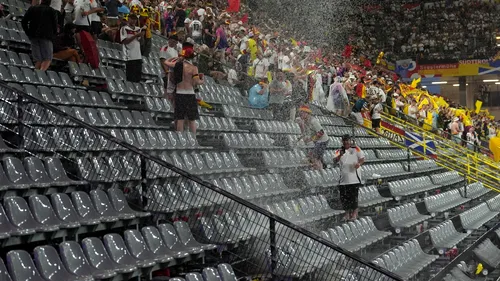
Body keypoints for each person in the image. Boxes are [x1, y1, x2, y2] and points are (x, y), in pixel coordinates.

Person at [164, 42, 203, 135]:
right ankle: (193, 139)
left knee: (180, 118)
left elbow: (165, 62)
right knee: (191, 119)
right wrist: (203, 80)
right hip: (190, 94)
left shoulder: (178, 65)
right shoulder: (194, 68)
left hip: (179, 93)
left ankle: (180, 138)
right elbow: (197, 82)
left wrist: (175, 58)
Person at [335, 134, 365, 221]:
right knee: (344, 198)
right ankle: (347, 214)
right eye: (344, 140)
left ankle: (355, 213)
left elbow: (362, 159)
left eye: (347, 140)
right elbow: (334, 161)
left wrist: (358, 164)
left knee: (354, 197)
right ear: (342, 141)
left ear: (350, 141)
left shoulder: (356, 149)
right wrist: (340, 155)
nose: (346, 142)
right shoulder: (338, 150)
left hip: (354, 178)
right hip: (343, 179)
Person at [22, 0, 58, 71]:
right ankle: (40, 75)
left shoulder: (33, 8)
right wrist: (53, 36)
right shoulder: (52, 11)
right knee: (47, 59)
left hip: (33, 36)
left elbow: (24, 22)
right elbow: (55, 27)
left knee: (38, 60)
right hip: (46, 37)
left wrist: (28, 32)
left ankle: (36, 76)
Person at [296, 105, 329, 170]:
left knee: (315, 158)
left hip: (322, 140)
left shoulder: (313, 121)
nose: (300, 114)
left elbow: (321, 132)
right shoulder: (305, 121)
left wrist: (311, 139)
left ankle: (320, 170)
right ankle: (321, 168)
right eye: (300, 113)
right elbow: (305, 133)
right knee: (315, 157)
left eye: (302, 113)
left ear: (307, 113)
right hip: (317, 141)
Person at [120, 14, 144, 82]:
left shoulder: (138, 29)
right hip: (129, 56)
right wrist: (135, 35)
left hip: (138, 56)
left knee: (138, 78)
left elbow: (141, 43)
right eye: (132, 19)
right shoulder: (124, 28)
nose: (134, 21)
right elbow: (125, 41)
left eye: (135, 19)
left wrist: (142, 36)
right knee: (130, 78)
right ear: (128, 19)